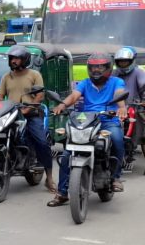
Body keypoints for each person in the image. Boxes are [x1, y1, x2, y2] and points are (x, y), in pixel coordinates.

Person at [49, 53, 127, 206]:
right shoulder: (84, 83)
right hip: (87, 119)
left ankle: (116, 177)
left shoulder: (116, 81)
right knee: (67, 154)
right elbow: (74, 96)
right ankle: (63, 193)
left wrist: (122, 108)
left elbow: (119, 94)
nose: (96, 70)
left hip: (108, 119)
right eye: (93, 67)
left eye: (100, 66)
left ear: (108, 68)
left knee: (118, 140)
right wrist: (63, 105)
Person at [0, 45, 56, 193]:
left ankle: (49, 178)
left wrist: (28, 108)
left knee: (42, 142)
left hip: (31, 114)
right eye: (12, 58)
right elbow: (0, 96)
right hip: (11, 114)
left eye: (16, 58)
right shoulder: (6, 77)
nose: (13, 61)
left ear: (25, 59)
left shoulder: (34, 74)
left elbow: (39, 95)